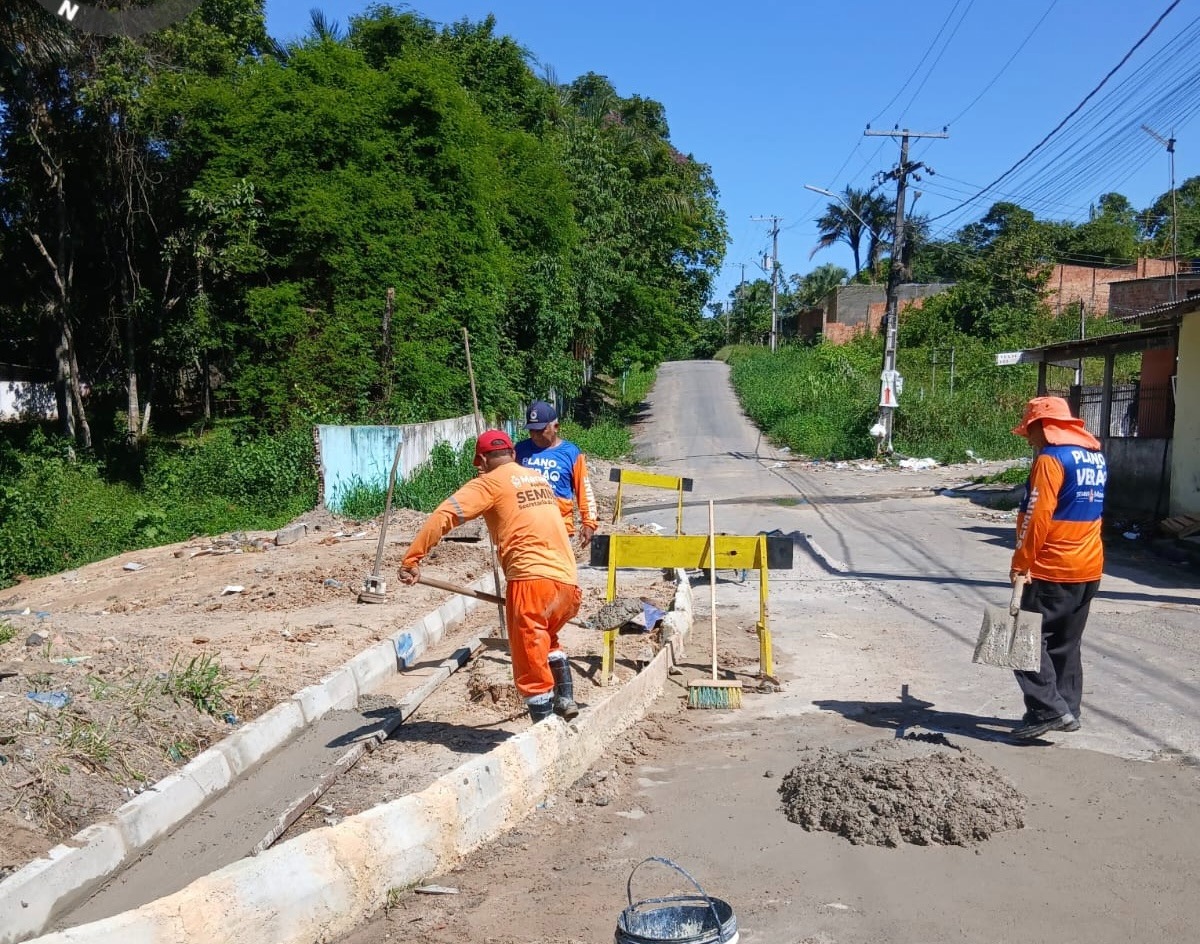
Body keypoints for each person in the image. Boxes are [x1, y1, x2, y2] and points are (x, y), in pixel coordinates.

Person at [399, 429, 582, 724]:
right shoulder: (537, 479)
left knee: (528, 657)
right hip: (568, 583)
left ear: (482, 460)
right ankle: (565, 698)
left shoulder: (489, 483)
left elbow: (443, 516)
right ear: (512, 453)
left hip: (531, 580)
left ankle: (546, 731)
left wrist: (412, 558)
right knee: (548, 639)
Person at [1007, 396, 1106, 739]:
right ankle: (1066, 709)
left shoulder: (1051, 460)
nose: (1029, 438)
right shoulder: (1094, 456)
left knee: (1025, 640)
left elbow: (1037, 517)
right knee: (1065, 641)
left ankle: (1047, 710)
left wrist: (1021, 563)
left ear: (1043, 427)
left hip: (1052, 567)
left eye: (1030, 431)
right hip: (1089, 565)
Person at [515, 401, 598, 549]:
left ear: (555, 427)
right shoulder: (519, 451)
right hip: (525, 530)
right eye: (531, 430)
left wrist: (589, 523)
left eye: (540, 430)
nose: (535, 435)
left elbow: (584, 490)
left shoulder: (571, 453)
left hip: (560, 531)